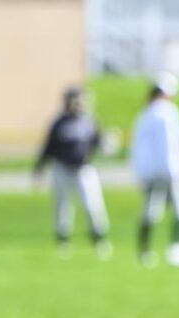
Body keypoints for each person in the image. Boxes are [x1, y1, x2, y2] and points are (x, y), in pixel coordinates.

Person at [129, 72, 179, 269]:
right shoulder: (167, 112)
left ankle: (144, 250)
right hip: (168, 169)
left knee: (151, 210)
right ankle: (177, 248)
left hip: (149, 171)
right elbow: (169, 144)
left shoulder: (144, 113)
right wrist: (176, 170)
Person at [33, 86, 111, 260]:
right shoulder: (59, 123)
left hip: (84, 169)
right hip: (62, 169)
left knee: (92, 205)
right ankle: (63, 241)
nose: (80, 105)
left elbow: (99, 142)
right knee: (62, 208)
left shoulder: (90, 121)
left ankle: (99, 239)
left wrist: (106, 143)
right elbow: (48, 148)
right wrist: (39, 168)